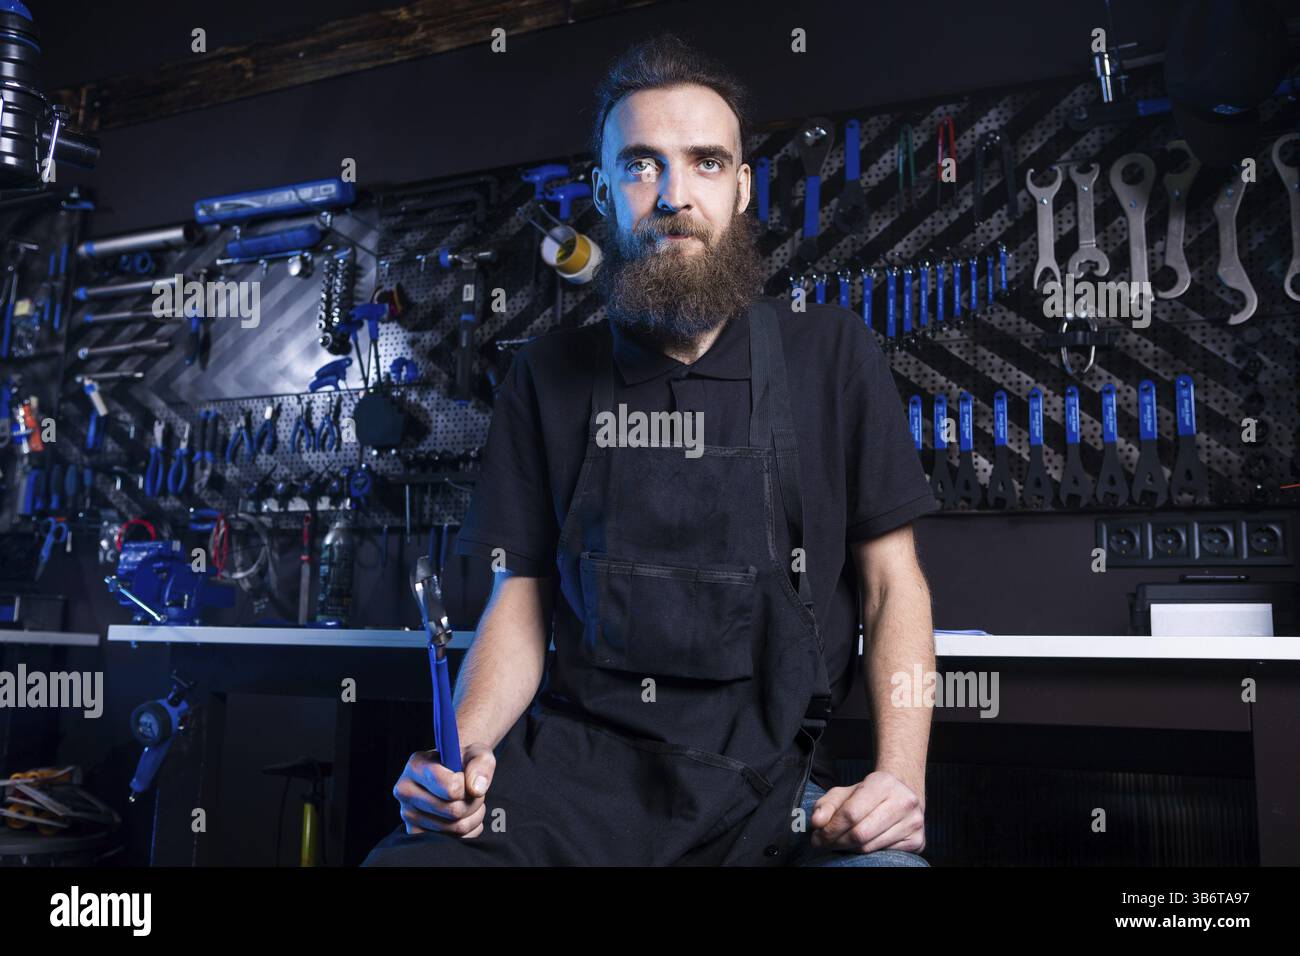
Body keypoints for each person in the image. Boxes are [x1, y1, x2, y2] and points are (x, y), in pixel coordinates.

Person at [364, 33, 937, 867]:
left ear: (742, 189)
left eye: (706, 162)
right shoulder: (547, 375)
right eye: (641, 165)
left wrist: (900, 782)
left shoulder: (833, 355)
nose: (674, 194)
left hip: (770, 791)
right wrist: (464, 758)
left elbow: (895, 589)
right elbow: (516, 603)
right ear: (603, 191)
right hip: (573, 787)